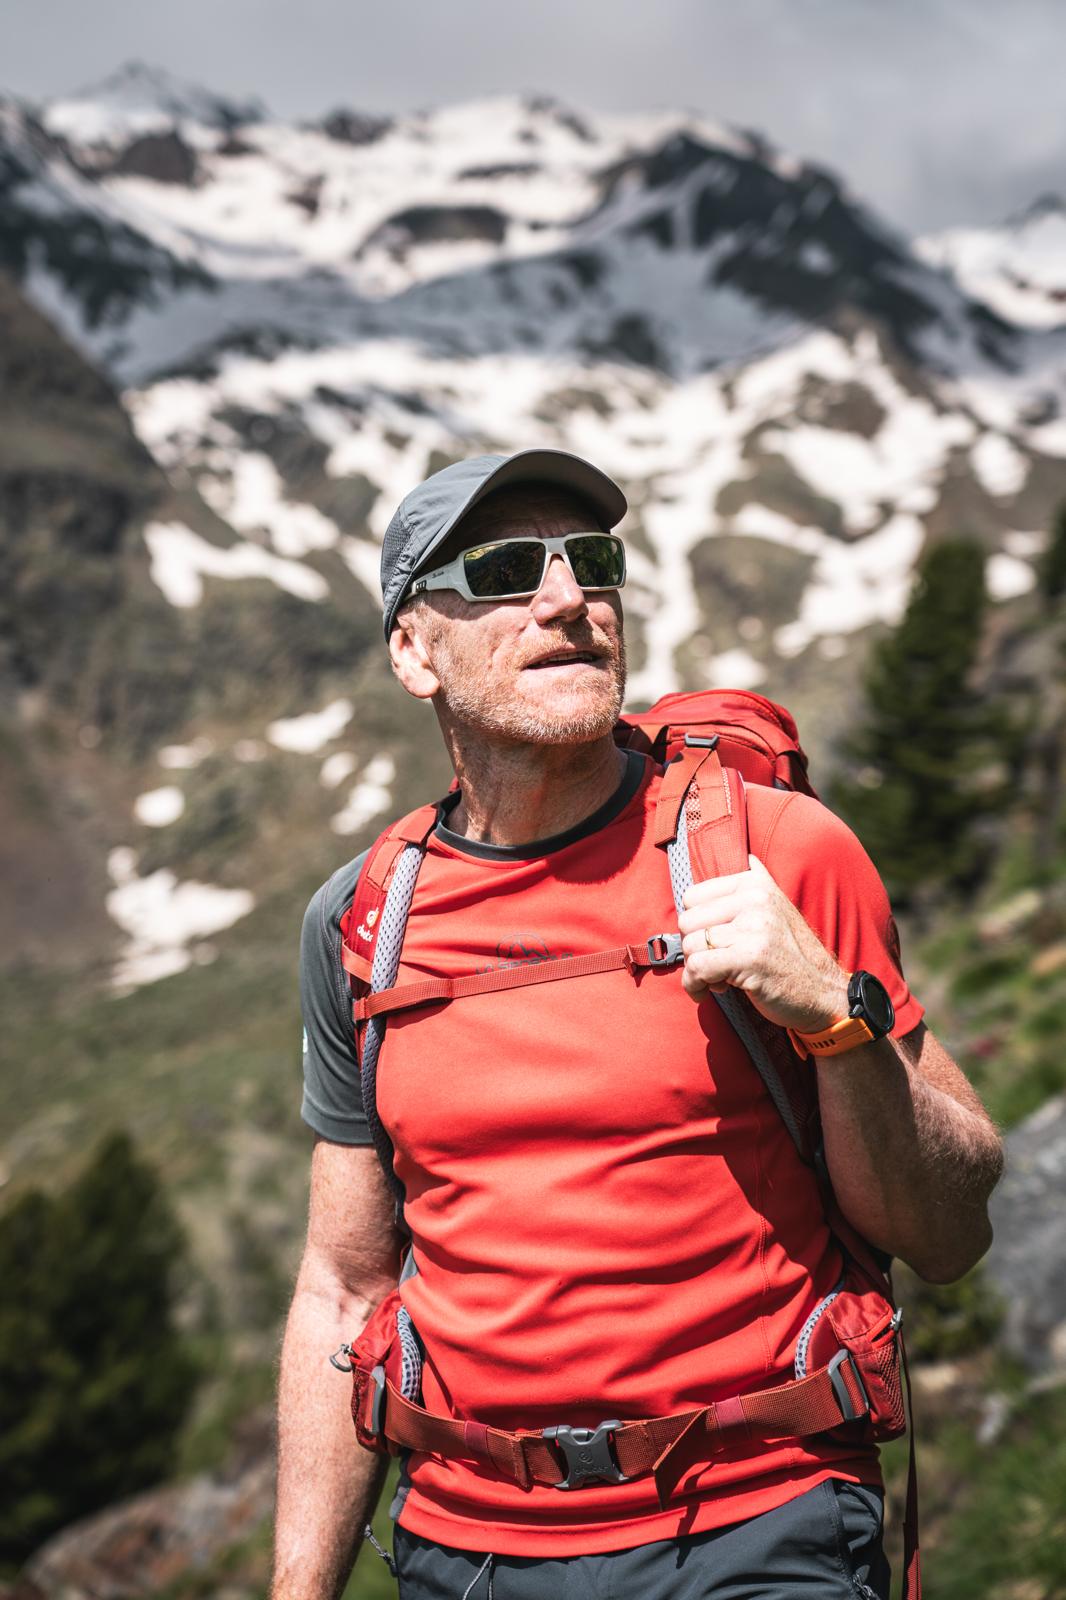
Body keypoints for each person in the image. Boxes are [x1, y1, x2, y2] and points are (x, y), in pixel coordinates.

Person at [273, 449, 1004, 1600]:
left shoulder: (777, 850)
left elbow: (951, 1232)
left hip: (760, 1526)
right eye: (507, 571)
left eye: (591, 561)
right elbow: (346, 1287)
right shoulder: (365, 920)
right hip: (465, 1549)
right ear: (414, 651)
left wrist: (834, 1020)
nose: (568, 597)